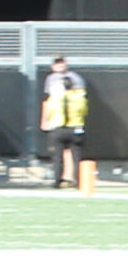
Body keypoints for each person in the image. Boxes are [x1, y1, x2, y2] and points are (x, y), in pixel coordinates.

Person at [40, 56, 88, 187]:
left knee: (58, 156)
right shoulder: (76, 93)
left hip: (58, 126)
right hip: (75, 126)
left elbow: (48, 104)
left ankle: (58, 181)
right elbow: (83, 108)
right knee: (76, 155)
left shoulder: (56, 95)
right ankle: (79, 182)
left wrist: (46, 120)